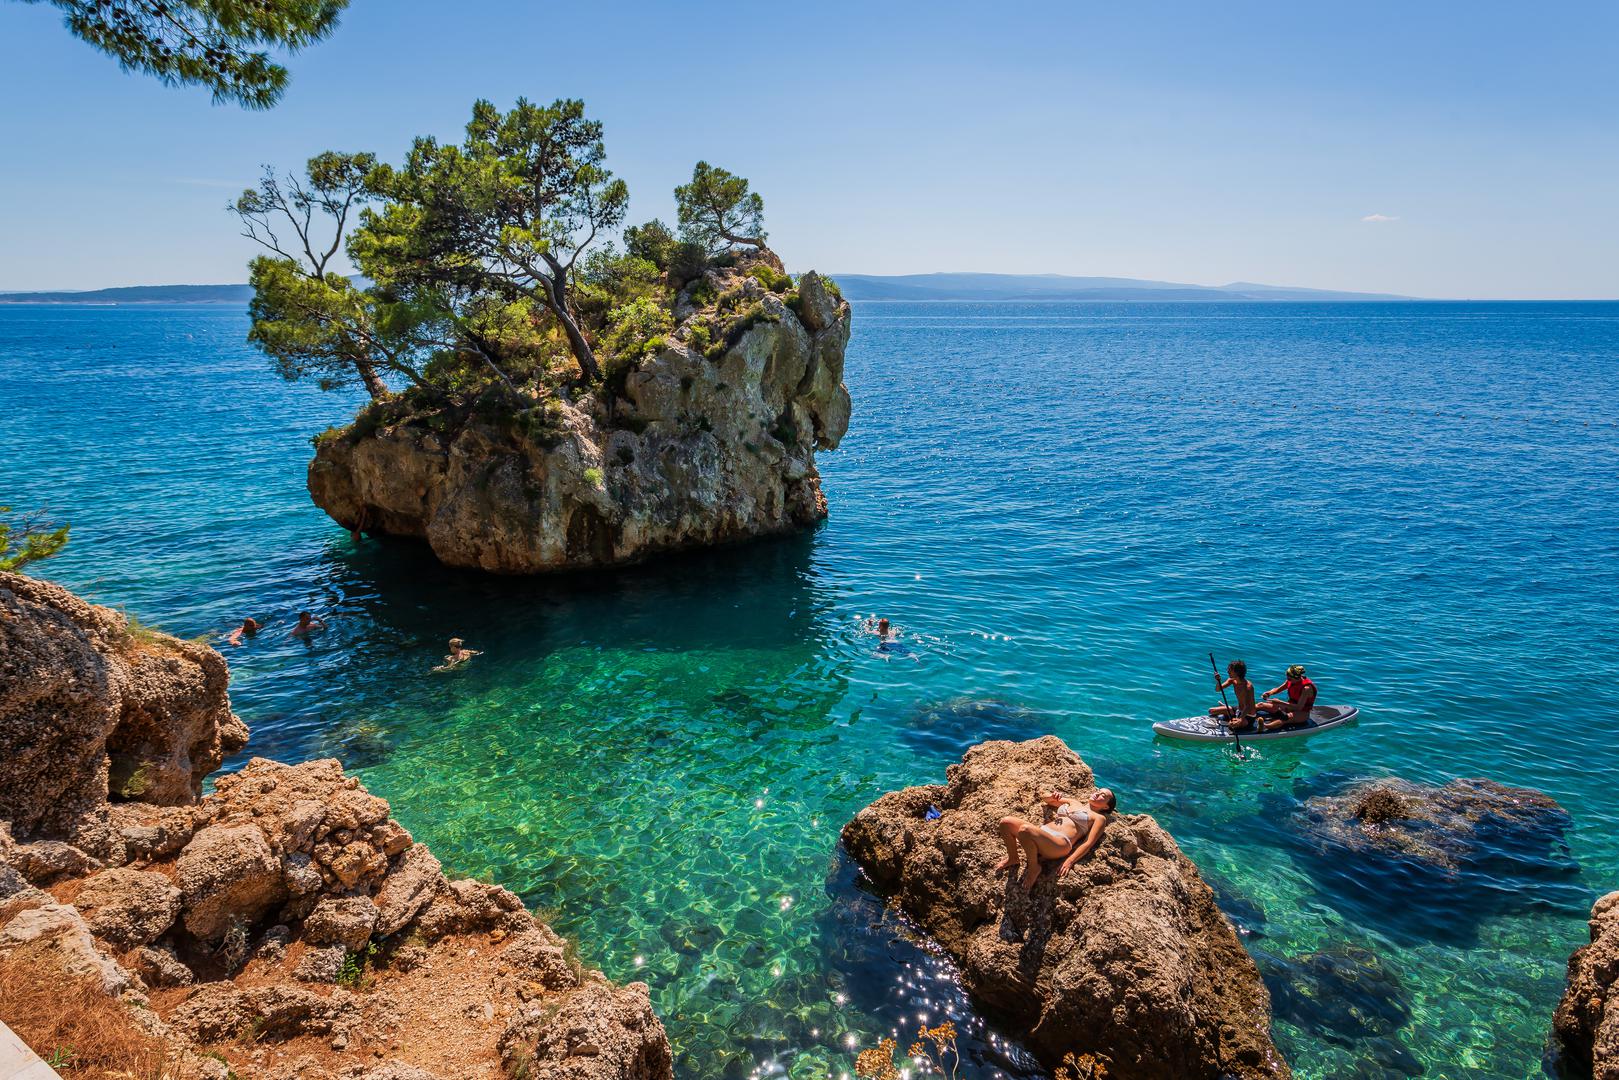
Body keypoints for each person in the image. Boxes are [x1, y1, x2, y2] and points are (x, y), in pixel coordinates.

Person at [994, 787, 1116, 891]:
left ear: (1106, 807)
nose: (1097, 793)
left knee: (1025, 830)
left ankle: (1034, 868)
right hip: (1043, 834)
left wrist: (1070, 861)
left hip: (1060, 843)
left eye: (1102, 795)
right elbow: (1046, 799)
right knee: (1006, 822)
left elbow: (1088, 843)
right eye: (1098, 791)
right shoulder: (1074, 802)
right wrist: (1053, 796)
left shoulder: (1099, 818)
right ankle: (1013, 858)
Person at [1257, 664, 1316, 731]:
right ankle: (1247, 713)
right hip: (1289, 706)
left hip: (1302, 712)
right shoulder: (1291, 680)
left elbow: (1299, 707)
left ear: (1297, 678)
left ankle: (1264, 726)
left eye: (1289, 679)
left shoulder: (1306, 688)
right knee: (1261, 705)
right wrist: (1269, 693)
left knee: (1285, 718)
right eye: (1287, 678)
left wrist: (1279, 702)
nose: (1288, 680)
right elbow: (1278, 689)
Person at [1209, 659, 1258, 732]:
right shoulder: (1232, 680)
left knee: (1231, 725)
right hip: (1238, 710)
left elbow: (1247, 707)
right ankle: (1230, 712)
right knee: (1211, 711)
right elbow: (1218, 689)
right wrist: (1218, 680)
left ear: (1237, 672)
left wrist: (1240, 719)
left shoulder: (1248, 687)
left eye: (1230, 670)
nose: (1227, 671)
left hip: (1248, 715)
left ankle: (1231, 715)